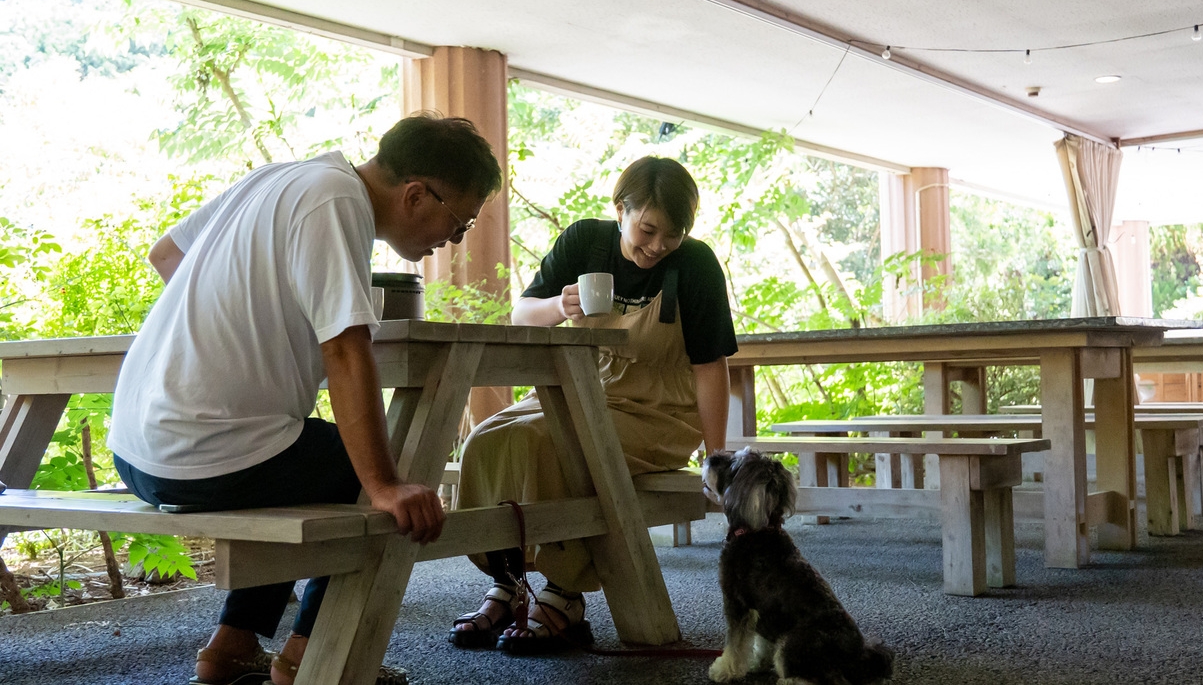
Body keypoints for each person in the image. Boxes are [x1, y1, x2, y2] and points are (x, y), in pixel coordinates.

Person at [107, 113, 503, 685]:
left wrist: (244, 329)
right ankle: (312, 657)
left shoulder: (277, 178)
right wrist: (384, 486)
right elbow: (345, 349)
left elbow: (166, 254)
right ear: (416, 194)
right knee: (378, 471)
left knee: (296, 459)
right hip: (202, 455)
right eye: (458, 222)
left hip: (136, 451)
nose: (455, 239)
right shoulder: (336, 200)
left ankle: (231, 647)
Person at [448, 156, 737, 654]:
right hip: (579, 390)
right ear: (620, 209)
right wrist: (559, 307)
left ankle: (564, 594)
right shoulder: (585, 241)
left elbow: (710, 366)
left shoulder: (696, 265)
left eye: (673, 235)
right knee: (486, 440)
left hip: (658, 411)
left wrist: (718, 459)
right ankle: (509, 582)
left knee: (555, 444)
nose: (658, 246)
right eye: (648, 230)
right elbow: (522, 314)